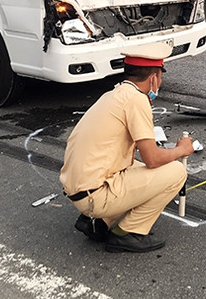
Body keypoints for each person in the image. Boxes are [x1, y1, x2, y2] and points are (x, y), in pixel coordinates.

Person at [60, 42, 195, 253]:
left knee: (135, 166)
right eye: (159, 78)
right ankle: (128, 233)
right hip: (94, 196)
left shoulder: (114, 94)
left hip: (77, 188)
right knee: (176, 172)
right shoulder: (137, 100)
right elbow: (152, 158)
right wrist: (181, 150)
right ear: (153, 78)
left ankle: (96, 223)